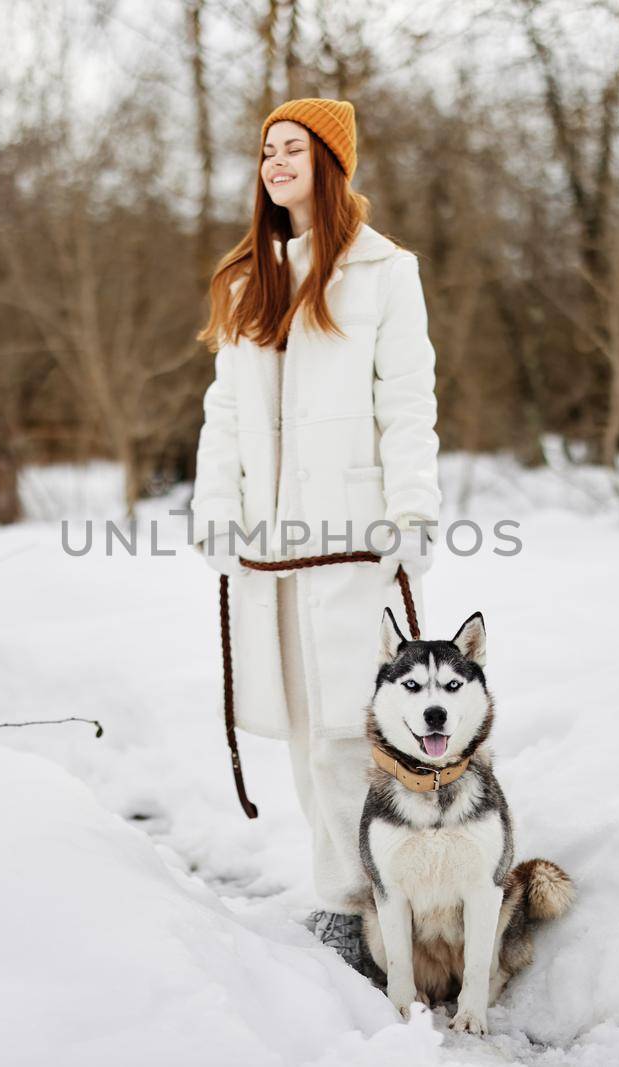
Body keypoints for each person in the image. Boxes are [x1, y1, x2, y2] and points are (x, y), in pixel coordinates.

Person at [189, 98, 443, 972]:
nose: (275, 161)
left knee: (353, 727)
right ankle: (345, 900)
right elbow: (224, 413)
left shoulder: (383, 271)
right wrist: (216, 510)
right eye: (266, 149)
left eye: (294, 148)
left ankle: (378, 905)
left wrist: (412, 509)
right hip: (272, 543)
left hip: (352, 538)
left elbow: (408, 401)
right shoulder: (243, 277)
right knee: (304, 728)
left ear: (332, 164)